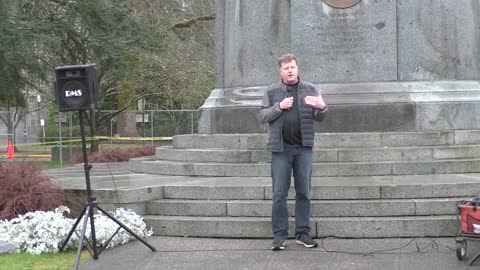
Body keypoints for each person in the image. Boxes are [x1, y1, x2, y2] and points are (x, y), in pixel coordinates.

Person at [259, 54, 327, 251]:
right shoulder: (271, 91)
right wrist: (279, 107)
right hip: (281, 149)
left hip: (304, 148)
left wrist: (322, 107)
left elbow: (321, 117)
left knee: (304, 192)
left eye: (293, 67)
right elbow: (262, 116)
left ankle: (303, 233)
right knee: (279, 193)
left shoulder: (310, 89)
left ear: (297, 68)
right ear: (280, 71)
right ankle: (279, 236)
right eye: (286, 67)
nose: (290, 70)